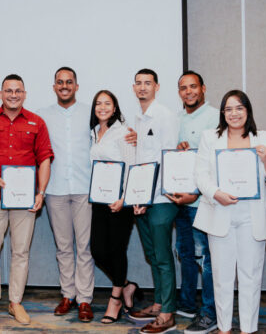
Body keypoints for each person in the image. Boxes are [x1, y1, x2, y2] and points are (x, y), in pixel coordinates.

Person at [192, 90, 266, 334]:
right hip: (220, 211)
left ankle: (248, 329)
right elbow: (200, 175)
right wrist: (216, 192)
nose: (234, 113)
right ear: (223, 113)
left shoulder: (265, 138)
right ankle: (224, 327)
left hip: (253, 215)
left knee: (251, 275)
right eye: (228, 109)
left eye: (239, 108)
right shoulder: (210, 137)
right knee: (221, 276)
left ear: (248, 110)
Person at [0, 74, 54, 325]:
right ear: (1, 93)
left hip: (25, 199)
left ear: (25, 94)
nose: (13, 94)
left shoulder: (37, 122)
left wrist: (41, 192)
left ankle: (15, 303)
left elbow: (45, 159)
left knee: (21, 251)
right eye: (9, 90)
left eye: (18, 90)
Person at [37, 67, 95, 322]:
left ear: (76, 86)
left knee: (84, 247)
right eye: (60, 82)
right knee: (63, 247)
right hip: (55, 189)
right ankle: (67, 295)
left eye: (69, 82)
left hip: (85, 188)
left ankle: (84, 299)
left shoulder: (90, 113)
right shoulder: (42, 116)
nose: (64, 86)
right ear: (54, 86)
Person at [125, 69, 180, 334]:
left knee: (162, 256)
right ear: (133, 87)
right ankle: (159, 304)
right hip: (142, 199)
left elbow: (165, 160)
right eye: (139, 83)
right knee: (152, 255)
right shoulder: (136, 117)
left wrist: (145, 196)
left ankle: (168, 314)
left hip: (160, 199)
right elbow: (139, 160)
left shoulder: (165, 116)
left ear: (157, 86)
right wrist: (136, 196)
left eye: (148, 83)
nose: (143, 87)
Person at [87, 90, 144, 325]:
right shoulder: (94, 133)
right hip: (99, 201)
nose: (102, 107)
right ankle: (128, 286)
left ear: (115, 107)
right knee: (98, 251)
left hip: (120, 203)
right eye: (98, 104)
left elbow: (132, 167)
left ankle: (115, 298)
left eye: (107, 103)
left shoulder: (123, 133)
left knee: (117, 250)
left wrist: (123, 199)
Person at [170, 71, 218, 334]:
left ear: (203, 88)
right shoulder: (176, 119)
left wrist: (198, 193)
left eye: (193, 87)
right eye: (183, 88)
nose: (188, 92)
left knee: (206, 259)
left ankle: (209, 313)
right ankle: (187, 304)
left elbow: (215, 162)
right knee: (185, 254)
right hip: (180, 201)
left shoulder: (215, 119)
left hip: (203, 202)